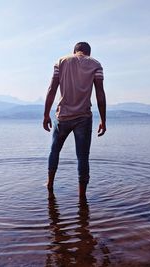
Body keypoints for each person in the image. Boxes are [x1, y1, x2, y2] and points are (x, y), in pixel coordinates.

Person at [43, 42, 106, 198]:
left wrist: (45, 115)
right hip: (83, 117)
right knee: (83, 157)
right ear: (88, 53)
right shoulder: (95, 64)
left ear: (74, 51)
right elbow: (100, 94)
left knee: (54, 150)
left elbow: (52, 89)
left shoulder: (61, 61)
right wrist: (103, 120)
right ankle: (82, 195)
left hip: (63, 116)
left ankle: (50, 184)